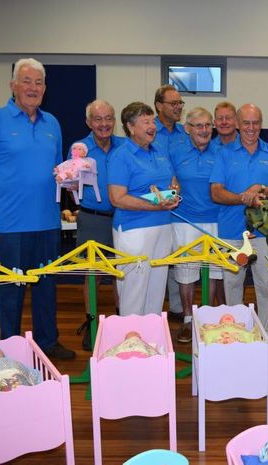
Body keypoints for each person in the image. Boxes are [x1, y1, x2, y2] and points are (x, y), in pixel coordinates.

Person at [0, 58, 75, 360]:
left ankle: (47, 342)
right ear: (13, 85)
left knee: (46, 287)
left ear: (45, 88)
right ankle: (10, 348)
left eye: (38, 82)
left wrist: (70, 181)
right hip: (9, 225)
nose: (33, 88)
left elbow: (58, 171)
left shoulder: (52, 123)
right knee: (11, 292)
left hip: (47, 223)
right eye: (26, 81)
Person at [210, 103, 268, 349]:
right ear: (237, 124)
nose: (251, 128)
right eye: (246, 123)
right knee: (232, 285)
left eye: (255, 123)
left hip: (264, 232)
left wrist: (261, 189)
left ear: (261, 124)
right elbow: (216, 192)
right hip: (231, 232)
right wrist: (244, 197)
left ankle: (267, 334)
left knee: (266, 284)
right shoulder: (223, 153)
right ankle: (233, 334)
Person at [108, 101, 180, 315]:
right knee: (134, 289)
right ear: (130, 127)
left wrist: (173, 190)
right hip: (134, 229)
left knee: (157, 289)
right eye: (145, 122)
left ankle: (152, 341)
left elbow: (172, 181)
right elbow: (117, 198)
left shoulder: (159, 151)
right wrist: (155, 206)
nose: (152, 126)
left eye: (152, 121)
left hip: (162, 226)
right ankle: (131, 342)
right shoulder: (121, 156)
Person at [73, 99, 125, 351]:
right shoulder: (79, 149)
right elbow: (69, 181)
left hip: (123, 217)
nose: (104, 124)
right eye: (98, 119)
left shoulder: (125, 146)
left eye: (109, 118)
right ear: (88, 122)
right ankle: (91, 325)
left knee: (120, 272)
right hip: (92, 217)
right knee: (92, 274)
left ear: (115, 121)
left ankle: (120, 321)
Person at [170, 107, 224, 343]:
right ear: (187, 129)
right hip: (184, 221)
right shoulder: (175, 151)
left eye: (207, 125)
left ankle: (206, 317)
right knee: (186, 272)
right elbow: (168, 182)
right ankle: (188, 319)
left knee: (213, 271)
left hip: (216, 220)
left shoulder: (222, 152)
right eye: (198, 125)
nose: (204, 130)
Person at [153, 84, 186, 320]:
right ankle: (151, 312)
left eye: (180, 103)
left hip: (180, 207)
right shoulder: (147, 130)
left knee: (178, 259)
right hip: (151, 207)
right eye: (173, 103)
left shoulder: (185, 133)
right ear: (158, 106)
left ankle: (176, 308)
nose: (178, 107)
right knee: (156, 260)